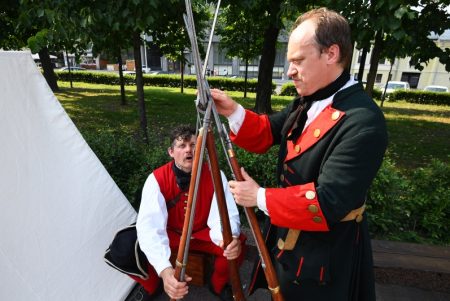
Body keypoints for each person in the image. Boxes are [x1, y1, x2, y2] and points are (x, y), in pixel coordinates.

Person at [210, 7, 387, 301]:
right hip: (288, 241)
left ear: (331, 54)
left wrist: (259, 197)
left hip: (325, 257)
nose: (289, 71)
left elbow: (328, 202)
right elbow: (269, 131)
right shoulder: (307, 100)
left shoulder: (364, 122)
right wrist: (233, 111)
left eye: (298, 61)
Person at [131, 125, 245, 301]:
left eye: (193, 145)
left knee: (234, 246)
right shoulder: (156, 179)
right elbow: (150, 227)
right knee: (125, 249)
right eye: (182, 145)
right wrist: (165, 269)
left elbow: (223, 214)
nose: (188, 150)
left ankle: (218, 285)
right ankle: (154, 286)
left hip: (202, 234)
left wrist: (225, 238)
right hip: (172, 236)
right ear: (171, 151)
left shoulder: (215, 173)